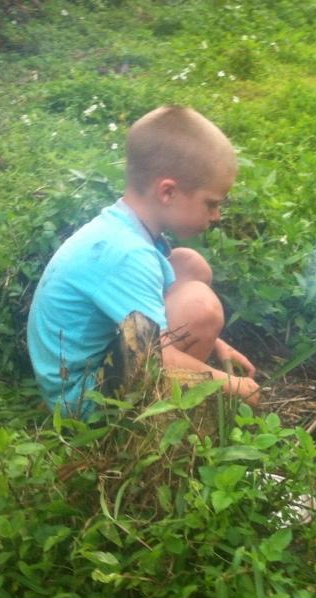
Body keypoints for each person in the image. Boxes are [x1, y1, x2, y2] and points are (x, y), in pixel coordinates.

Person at [27, 105, 260, 417]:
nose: (216, 216)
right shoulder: (127, 255)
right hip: (83, 402)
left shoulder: (123, 227)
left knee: (188, 264)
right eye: (211, 203)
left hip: (90, 365)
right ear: (167, 192)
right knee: (201, 308)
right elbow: (157, 358)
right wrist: (236, 386)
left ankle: (181, 383)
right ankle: (159, 420)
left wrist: (217, 344)